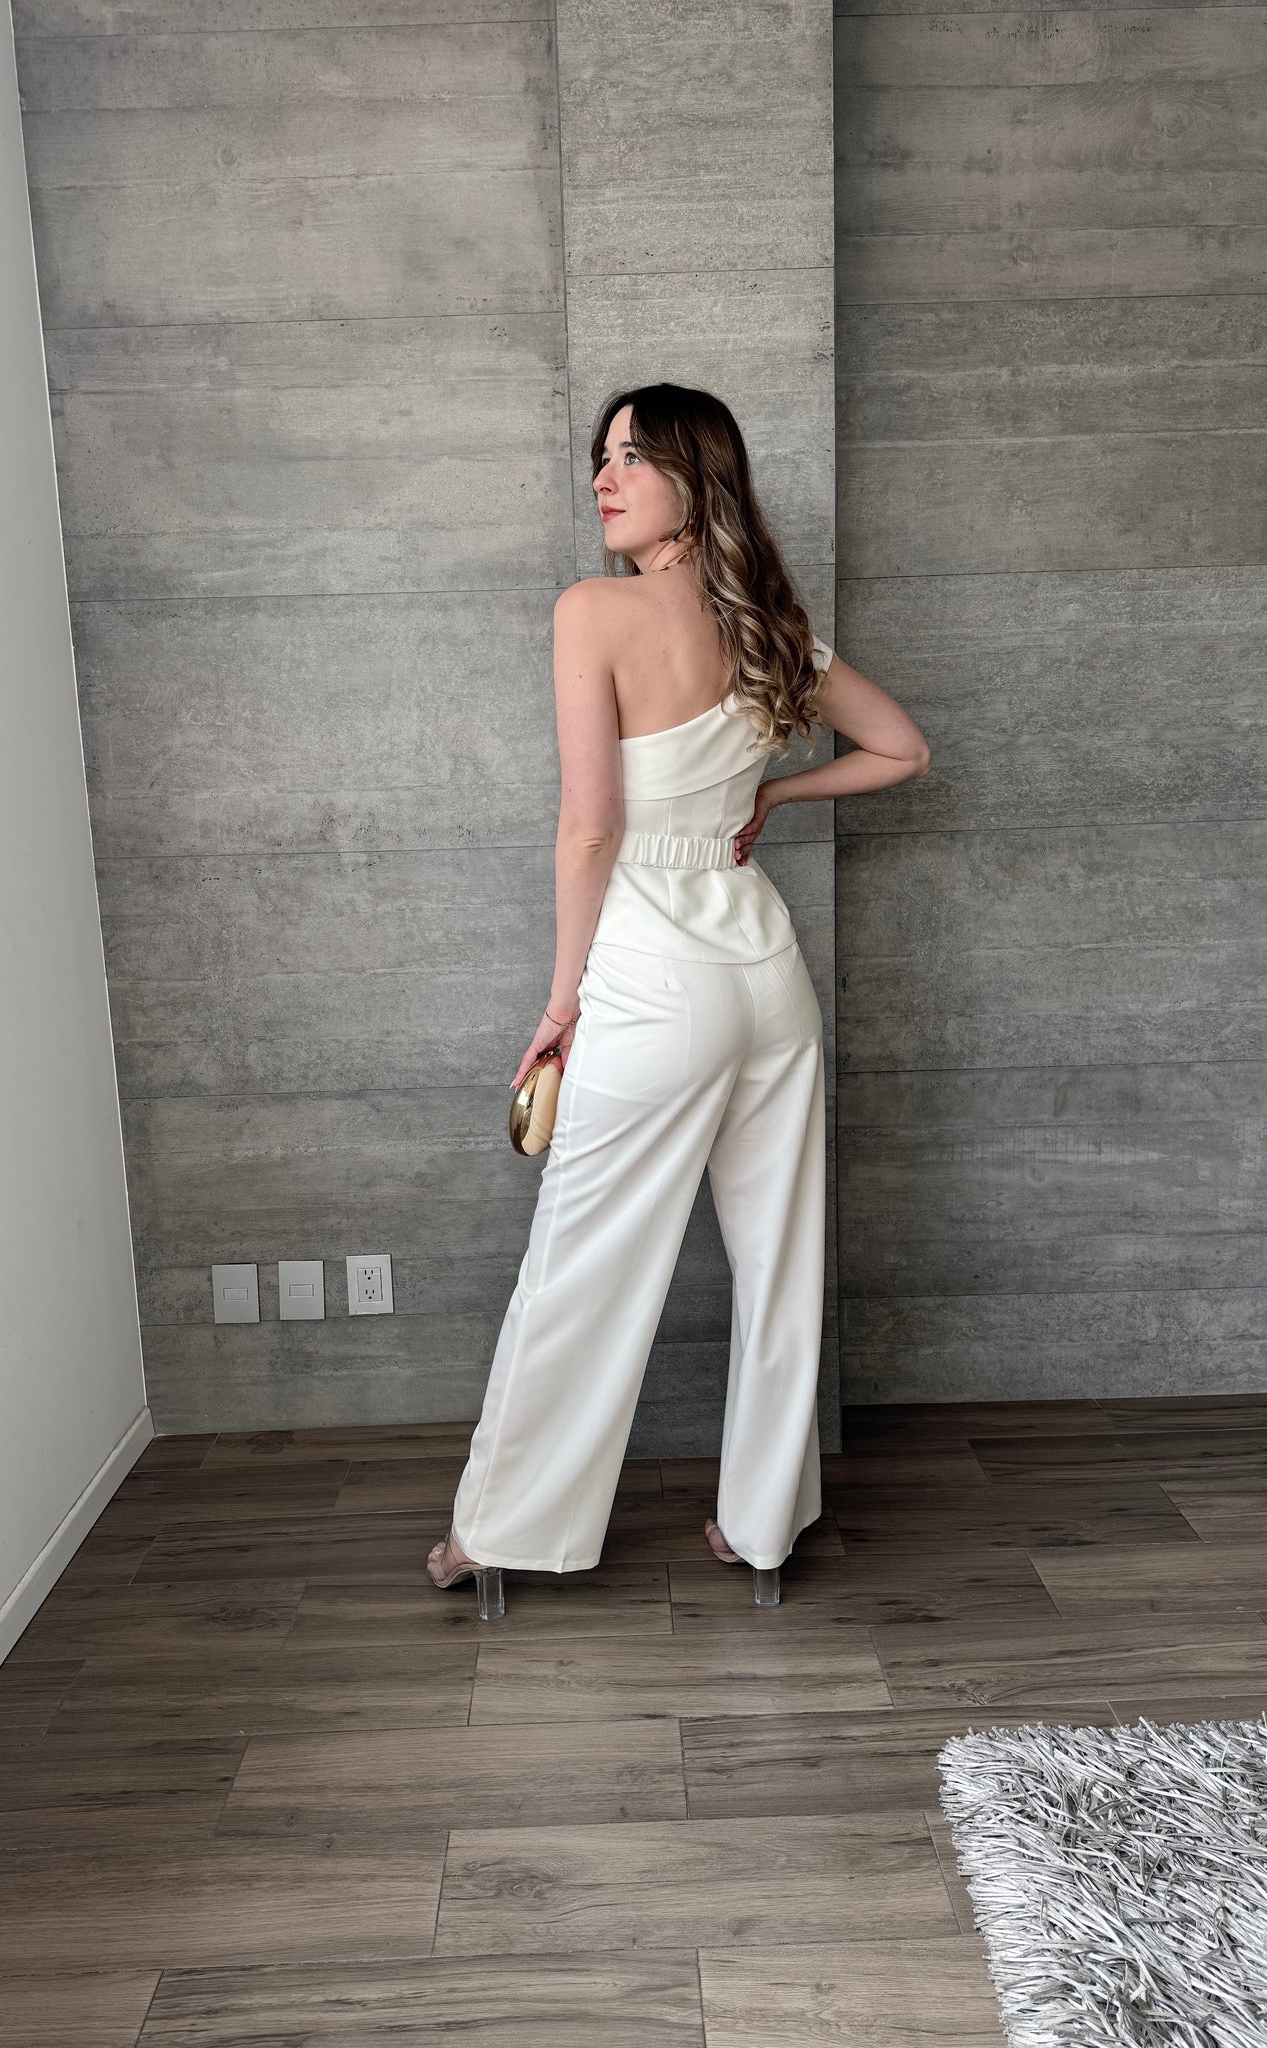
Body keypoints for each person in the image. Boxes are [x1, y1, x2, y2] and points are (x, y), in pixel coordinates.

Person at [426, 382, 931, 1619]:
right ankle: (762, 1528)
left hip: (653, 977)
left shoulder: (593, 610)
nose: (604, 480)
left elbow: (590, 827)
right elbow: (904, 748)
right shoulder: (772, 625)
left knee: (581, 1264)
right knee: (781, 1259)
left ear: (698, 480)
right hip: (766, 969)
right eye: (600, 457)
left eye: (633, 459)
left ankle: (500, 1531)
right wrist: (776, 796)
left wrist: (562, 1003)